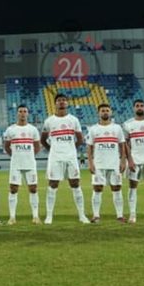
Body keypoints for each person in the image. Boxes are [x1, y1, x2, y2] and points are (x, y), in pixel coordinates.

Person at [41, 94, 89, 225]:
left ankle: (82, 215)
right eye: (59, 101)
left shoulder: (73, 120)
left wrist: (71, 149)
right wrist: (52, 149)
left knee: (75, 183)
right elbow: (42, 139)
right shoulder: (49, 121)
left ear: (67, 103)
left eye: (64, 100)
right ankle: (49, 216)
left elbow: (80, 139)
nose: (61, 102)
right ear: (55, 103)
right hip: (55, 157)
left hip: (70, 157)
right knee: (53, 184)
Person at [86, 104, 130, 223]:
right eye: (102, 111)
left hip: (114, 163)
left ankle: (120, 216)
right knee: (97, 188)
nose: (105, 112)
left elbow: (122, 145)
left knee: (116, 188)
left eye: (107, 110)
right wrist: (90, 162)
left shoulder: (117, 128)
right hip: (99, 164)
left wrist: (123, 160)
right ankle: (96, 215)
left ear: (110, 112)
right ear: (98, 113)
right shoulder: (93, 129)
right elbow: (89, 147)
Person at [2, 105, 41, 224]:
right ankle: (12, 217)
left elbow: (37, 147)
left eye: (25, 111)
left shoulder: (33, 129)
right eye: (20, 111)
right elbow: (7, 146)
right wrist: (15, 156)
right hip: (16, 164)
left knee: (33, 189)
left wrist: (29, 155)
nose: (23, 113)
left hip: (30, 164)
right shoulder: (10, 129)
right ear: (17, 113)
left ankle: (35, 216)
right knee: (13, 189)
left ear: (27, 114)